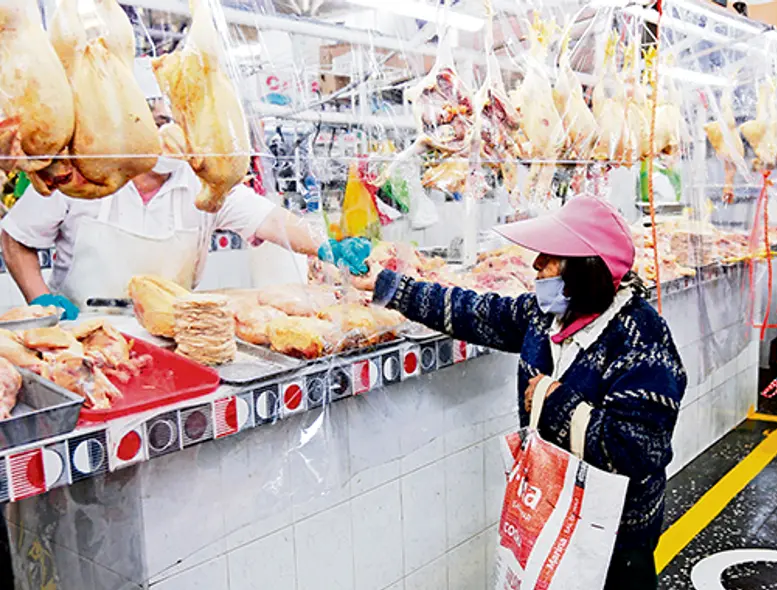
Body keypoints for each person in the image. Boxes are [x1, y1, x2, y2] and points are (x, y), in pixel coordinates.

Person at [354, 197, 686, 588]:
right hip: (549, 511)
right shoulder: (545, 315)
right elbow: (474, 312)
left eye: (551, 257)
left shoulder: (641, 339)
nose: (536, 265)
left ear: (586, 270)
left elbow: (638, 449)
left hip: (614, 535)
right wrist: (392, 288)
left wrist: (555, 404)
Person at [0, 61, 368, 319]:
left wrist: (326, 245)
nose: (173, 138)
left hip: (174, 338)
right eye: (158, 123)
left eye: (181, 125)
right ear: (130, 126)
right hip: (85, 336)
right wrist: (41, 298)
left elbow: (271, 219)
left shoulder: (205, 184)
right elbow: (15, 237)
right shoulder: (81, 176)